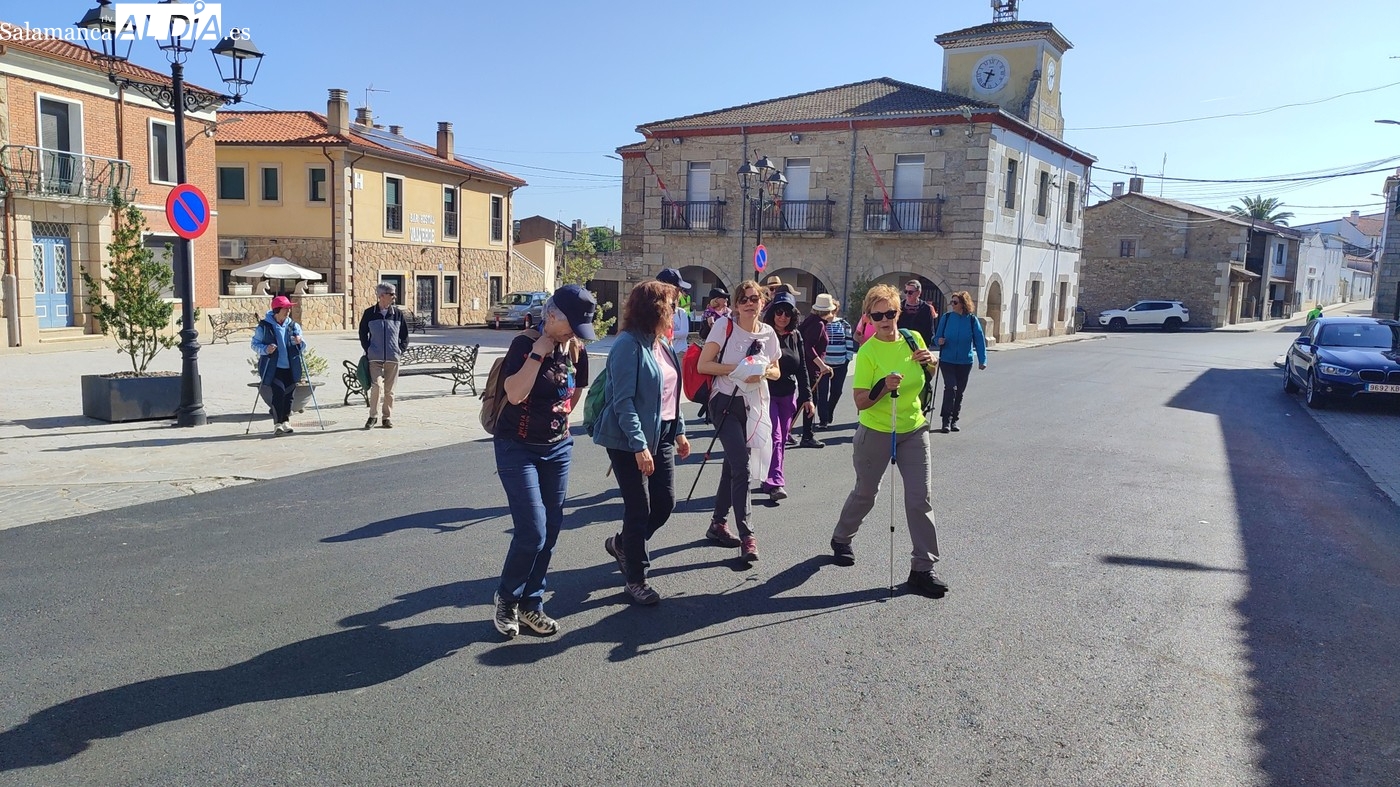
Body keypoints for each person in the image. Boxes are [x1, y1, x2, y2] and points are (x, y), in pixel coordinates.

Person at [829, 283, 948, 599]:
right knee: (866, 493)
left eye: (890, 313)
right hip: (876, 431)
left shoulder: (913, 338)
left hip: (913, 429)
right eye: (877, 315)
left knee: (919, 498)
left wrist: (930, 362)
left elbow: (926, 376)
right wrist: (882, 386)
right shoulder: (868, 352)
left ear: (899, 312)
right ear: (868, 317)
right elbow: (860, 401)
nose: (885, 320)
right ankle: (841, 537)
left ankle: (923, 569)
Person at [490, 284, 595, 639]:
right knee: (532, 531)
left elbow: (575, 393)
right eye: (570, 326)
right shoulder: (523, 345)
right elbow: (515, 394)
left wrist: (558, 419)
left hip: (557, 448)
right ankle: (507, 598)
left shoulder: (576, 349)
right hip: (517, 447)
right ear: (550, 315)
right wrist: (538, 353)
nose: (573, 333)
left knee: (550, 530)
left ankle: (531, 603)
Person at [593, 281, 691, 604]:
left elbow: (669, 394)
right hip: (627, 439)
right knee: (639, 508)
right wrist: (639, 446)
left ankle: (624, 544)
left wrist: (679, 430)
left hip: (661, 434)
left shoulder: (661, 343)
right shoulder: (628, 345)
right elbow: (623, 402)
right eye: (671, 306)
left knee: (665, 503)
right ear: (655, 308)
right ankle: (636, 578)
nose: (676, 312)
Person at [697, 279, 780, 562]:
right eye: (743, 299)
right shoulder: (725, 326)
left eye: (754, 299)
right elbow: (704, 365)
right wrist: (741, 368)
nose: (749, 304)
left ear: (762, 302)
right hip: (725, 403)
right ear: (735, 304)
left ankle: (717, 523)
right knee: (742, 467)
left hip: (753, 406)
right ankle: (748, 536)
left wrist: (763, 372)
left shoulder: (768, 333)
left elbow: (776, 370)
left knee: (732, 466)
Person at [760, 292, 813, 502]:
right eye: (779, 312)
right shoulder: (764, 334)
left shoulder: (796, 336)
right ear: (773, 312)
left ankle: (769, 476)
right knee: (775, 437)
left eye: (788, 313)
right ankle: (776, 482)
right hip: (767, 393)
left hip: (788, 394)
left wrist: (808, 398)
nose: (783, 317)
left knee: (781, 439)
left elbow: (802, 369)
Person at [932, 290, 987, 434]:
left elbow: (979, 341)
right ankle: (945, 420)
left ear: (963, 303)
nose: (952, 304)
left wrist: (982, 360)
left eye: (955, 302)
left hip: (965, 361)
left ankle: (954, 419)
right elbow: (936, 337)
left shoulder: (972, 320)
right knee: (951, 388)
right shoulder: (947, 317)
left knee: (960, 392)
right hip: (947, 360)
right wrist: (939, 341)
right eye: (952, 302)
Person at [251, 295, 305, 436]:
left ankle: (286, 421)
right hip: (273, 367)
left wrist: (300, 342)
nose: (288, 311)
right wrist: (265, 349)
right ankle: (277, 424)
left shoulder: (293, 326)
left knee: (289, 395)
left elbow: (302, 346)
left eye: (289, 308)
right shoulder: (265, 326)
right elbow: (254, 344)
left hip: (291, 367)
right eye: (285, 308)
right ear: (277, 310)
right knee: (279, 393)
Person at [358, 282, 409, 429]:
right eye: (391, 294)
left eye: (394, 294)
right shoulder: (369, 313)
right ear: (381, 296)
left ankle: (387, 418)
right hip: (374, 358)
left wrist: (400, 350)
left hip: (393, 358)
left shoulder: (398, 314)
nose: (394, 297)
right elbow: (362, 333)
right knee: (376, 386)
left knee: (390, 391)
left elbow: (405, 335)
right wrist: (368, 349)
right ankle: (372, 416)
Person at [798, 294, 836, 448]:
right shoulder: (818, 324)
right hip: (811, 368)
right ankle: (807, 436)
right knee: (810, 401)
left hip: (808, 367)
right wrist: (821, 365)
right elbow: (809, 347)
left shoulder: (811, 321)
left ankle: (787, 431)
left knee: (803, 400)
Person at [818, 298, 854, 429]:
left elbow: (849, 342)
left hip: (840, 365)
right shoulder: (821, 324)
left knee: (836, 391)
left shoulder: (844, 324)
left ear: (835, 310)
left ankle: (829, 411)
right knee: (822, 393)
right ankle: (823, 419)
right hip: (824, 365)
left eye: (832, 309)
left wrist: (847, 359)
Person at [657, 268, 692, 353]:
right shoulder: (653, 311)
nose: (679, 293)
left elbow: (684, 333)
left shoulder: (680, 312)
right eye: (678, 289)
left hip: (678, 352)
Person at [896, 279, 937, 347]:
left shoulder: (926, 308)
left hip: (919, 346)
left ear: (918, 293)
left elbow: (930, 331)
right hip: (900, 345)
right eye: (906, 292)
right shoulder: (898, 307)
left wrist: (924, 346)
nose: (907, 294)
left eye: (910, 292)